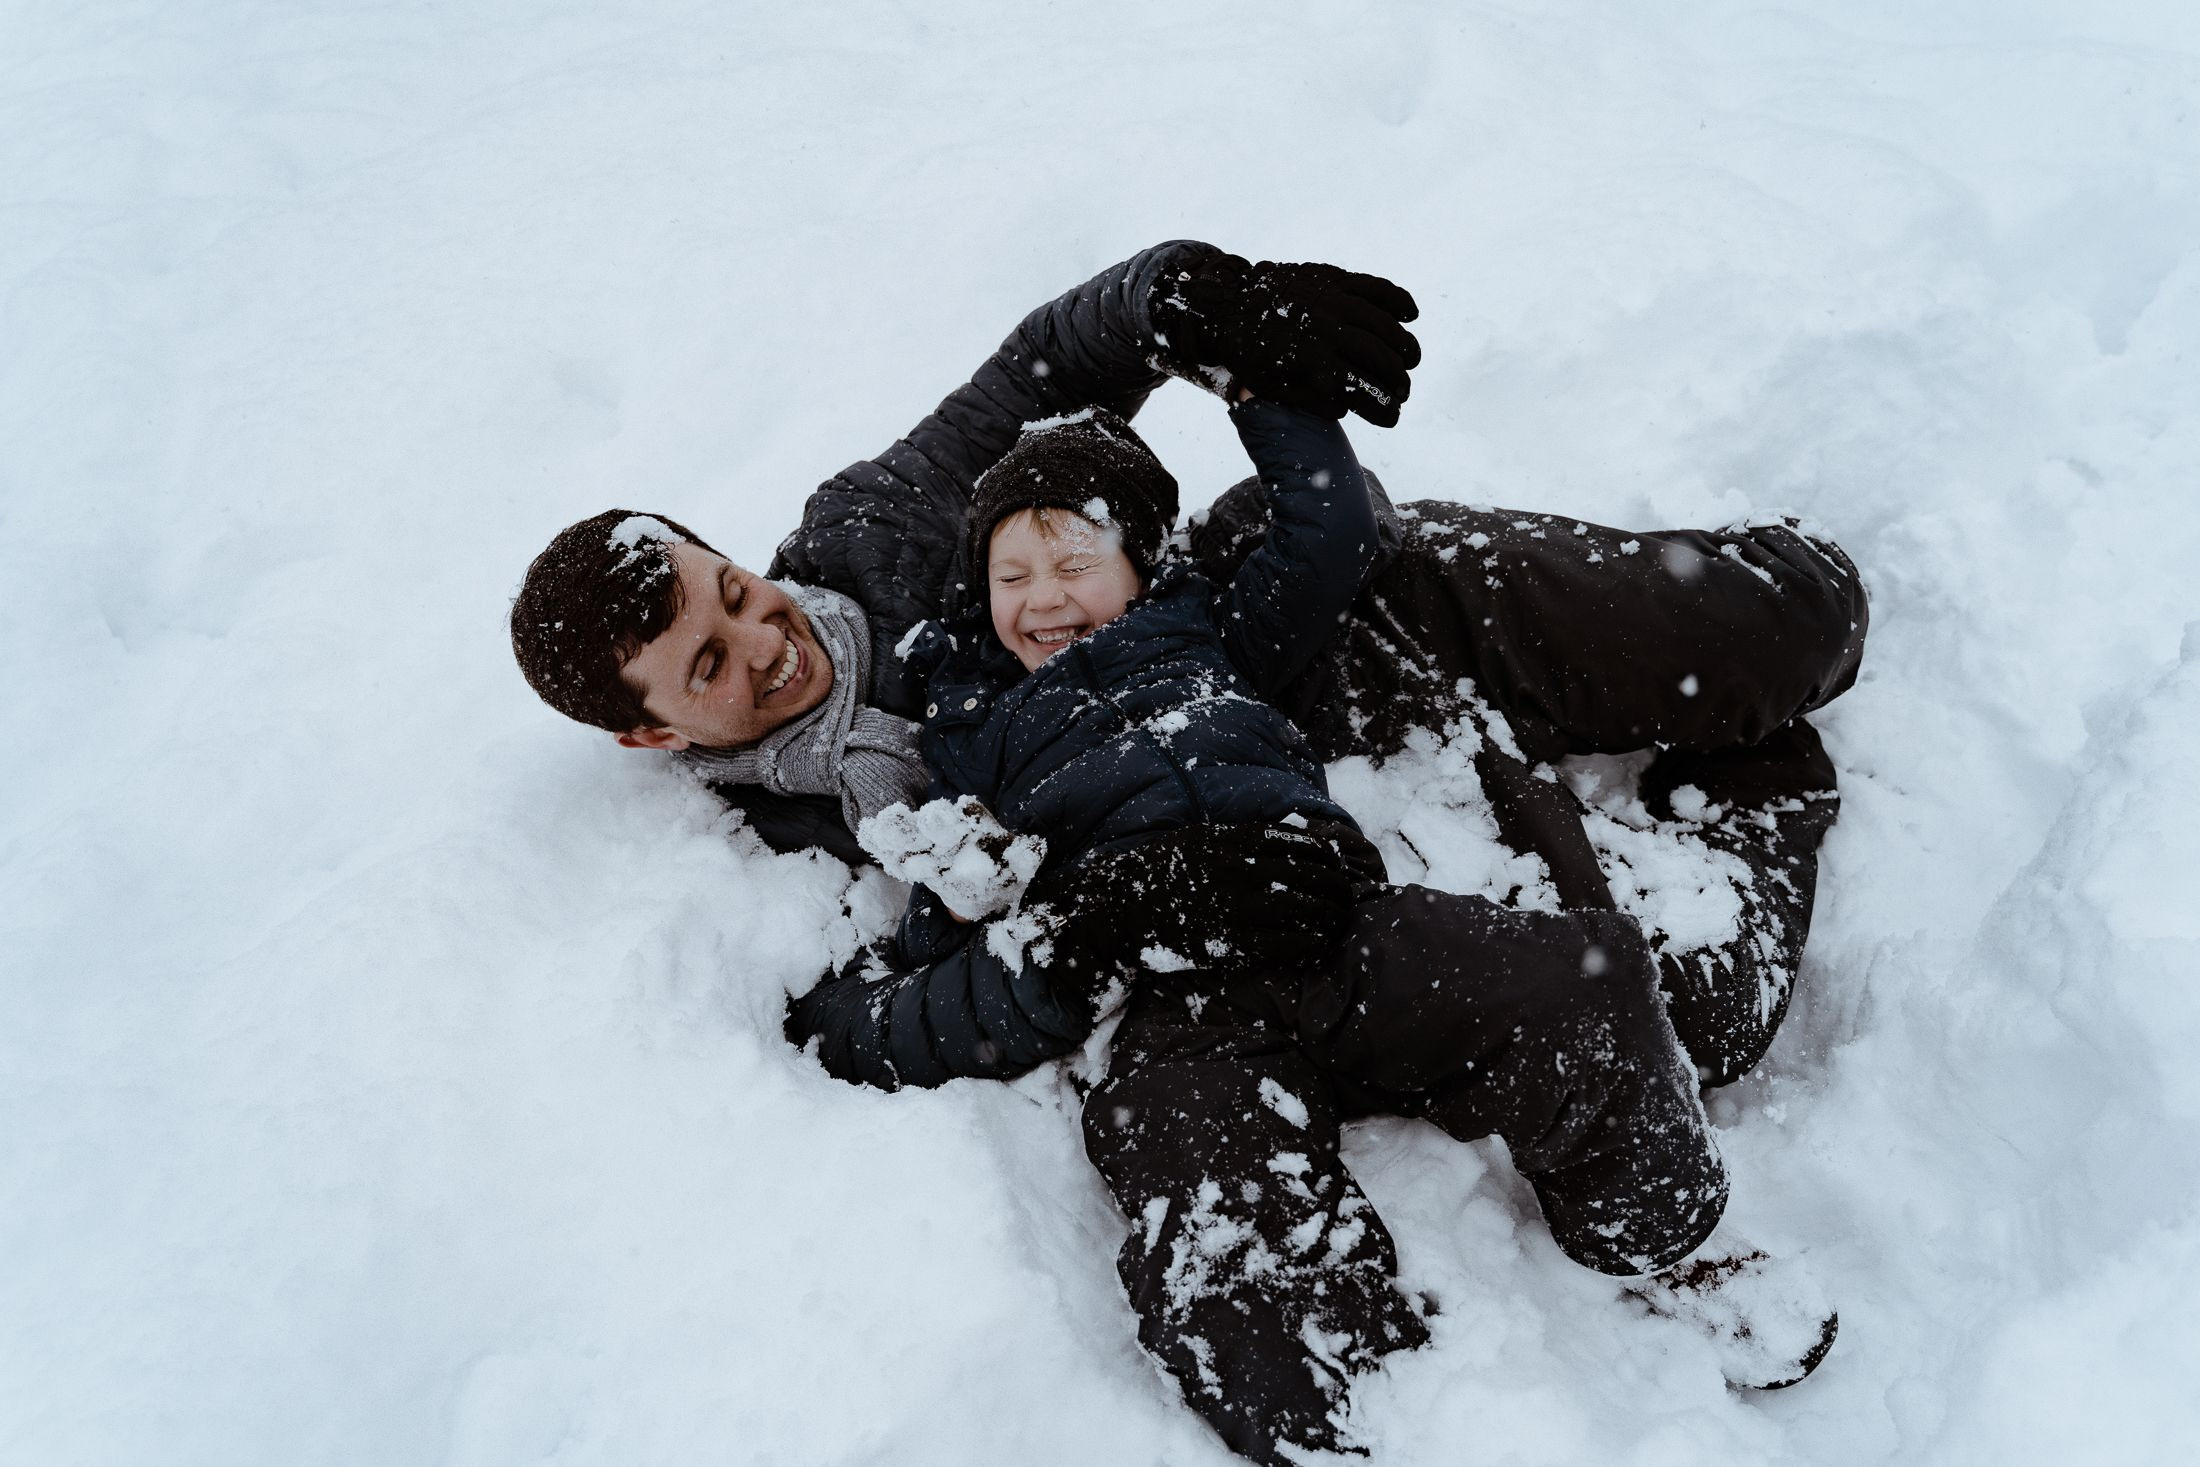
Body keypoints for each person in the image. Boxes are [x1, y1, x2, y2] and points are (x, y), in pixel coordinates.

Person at [507, 241, 1867, 1458]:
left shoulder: (874, 530)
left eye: (734, 592)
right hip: (1273, 872)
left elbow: (1050, 365)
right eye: (710, 663)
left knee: (1792, 630)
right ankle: (1729, 806)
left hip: (1289, 638)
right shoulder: (783, 849)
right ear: (652, 735)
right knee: (1680, 1009)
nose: (765, 640)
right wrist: (1085, 931)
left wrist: (1200, 307)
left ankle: (1758, 622)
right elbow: (879, 1007)